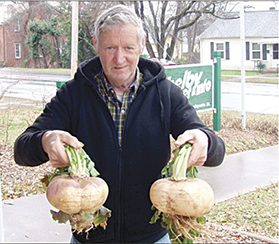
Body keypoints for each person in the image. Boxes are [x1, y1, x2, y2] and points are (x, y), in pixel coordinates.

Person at [14, 4, 225, 244]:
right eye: (110, 47)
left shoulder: (166, 94)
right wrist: (46, 140)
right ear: (95, 44)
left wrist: (204, 141)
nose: (119, 58)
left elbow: (217, 150)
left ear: (142, 44)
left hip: (152, 237)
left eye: (128, 47)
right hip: (89, 238)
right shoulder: (73, 94)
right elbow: (21, 150)